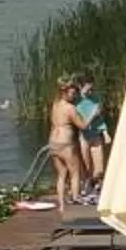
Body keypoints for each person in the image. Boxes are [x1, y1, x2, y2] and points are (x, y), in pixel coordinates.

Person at [47, 76, 90, 207]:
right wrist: (93, 115)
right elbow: (82, 126)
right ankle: (75, 199)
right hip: (66, 144)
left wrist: (81, 94)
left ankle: (61, 204)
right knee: (75, 173)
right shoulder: (70, 109)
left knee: (61, 174)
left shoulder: (55, 105)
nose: (74, 95)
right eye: (72, 93)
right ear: (64, 93)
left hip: (53, 143)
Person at [75, 76, 110, 191]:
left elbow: (99, 118)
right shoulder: (76, 100)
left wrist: (105, 133)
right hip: (84, 136)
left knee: (99, 167)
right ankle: (87, 185)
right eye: (87, 89)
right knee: (87, 166)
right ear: (80, 87)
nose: (90, 92)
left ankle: (98, 186)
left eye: (91, 89)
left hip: (96, 134)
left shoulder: (96, 98)